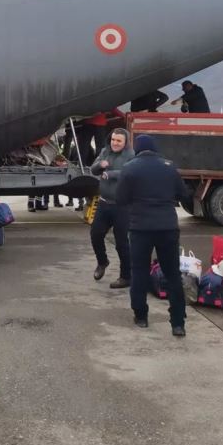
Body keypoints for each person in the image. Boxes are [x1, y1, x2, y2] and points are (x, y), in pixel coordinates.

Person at [116, 134, 188, 337]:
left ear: (137, 149)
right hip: (167, 227)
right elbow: (183, 194)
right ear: (154, 148)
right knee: (173, 274)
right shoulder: (169, 166)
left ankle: (141, 316)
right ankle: (177, 323)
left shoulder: (130, 167)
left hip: (140, 228)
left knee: (139, 272)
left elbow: (121, 198)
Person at [89, 128, 135, 288]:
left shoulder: (130, 155)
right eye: (113, 140)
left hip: (122, 206)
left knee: (122, 242)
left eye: (119, 141)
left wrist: (111, 173)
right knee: (95, 234)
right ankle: (102, 262)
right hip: (104, 203)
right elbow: (93, 169)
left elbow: (129, 174)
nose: (115, 143)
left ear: (125, 142)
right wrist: (100, 165)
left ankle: (126, 276)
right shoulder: (105, 151)